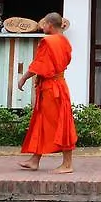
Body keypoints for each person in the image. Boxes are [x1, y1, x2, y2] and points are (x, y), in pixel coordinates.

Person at [17, 12, 77, 173]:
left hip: (51, 88)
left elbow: (39, 64)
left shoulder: (48, 41)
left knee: (60, 123)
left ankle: (67, 164)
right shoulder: (64, 41)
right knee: (41, 122)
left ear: (50, 25)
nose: (41, 26)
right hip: (58, 84)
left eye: (43, 24)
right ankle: (34, 160)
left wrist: (24, 77)